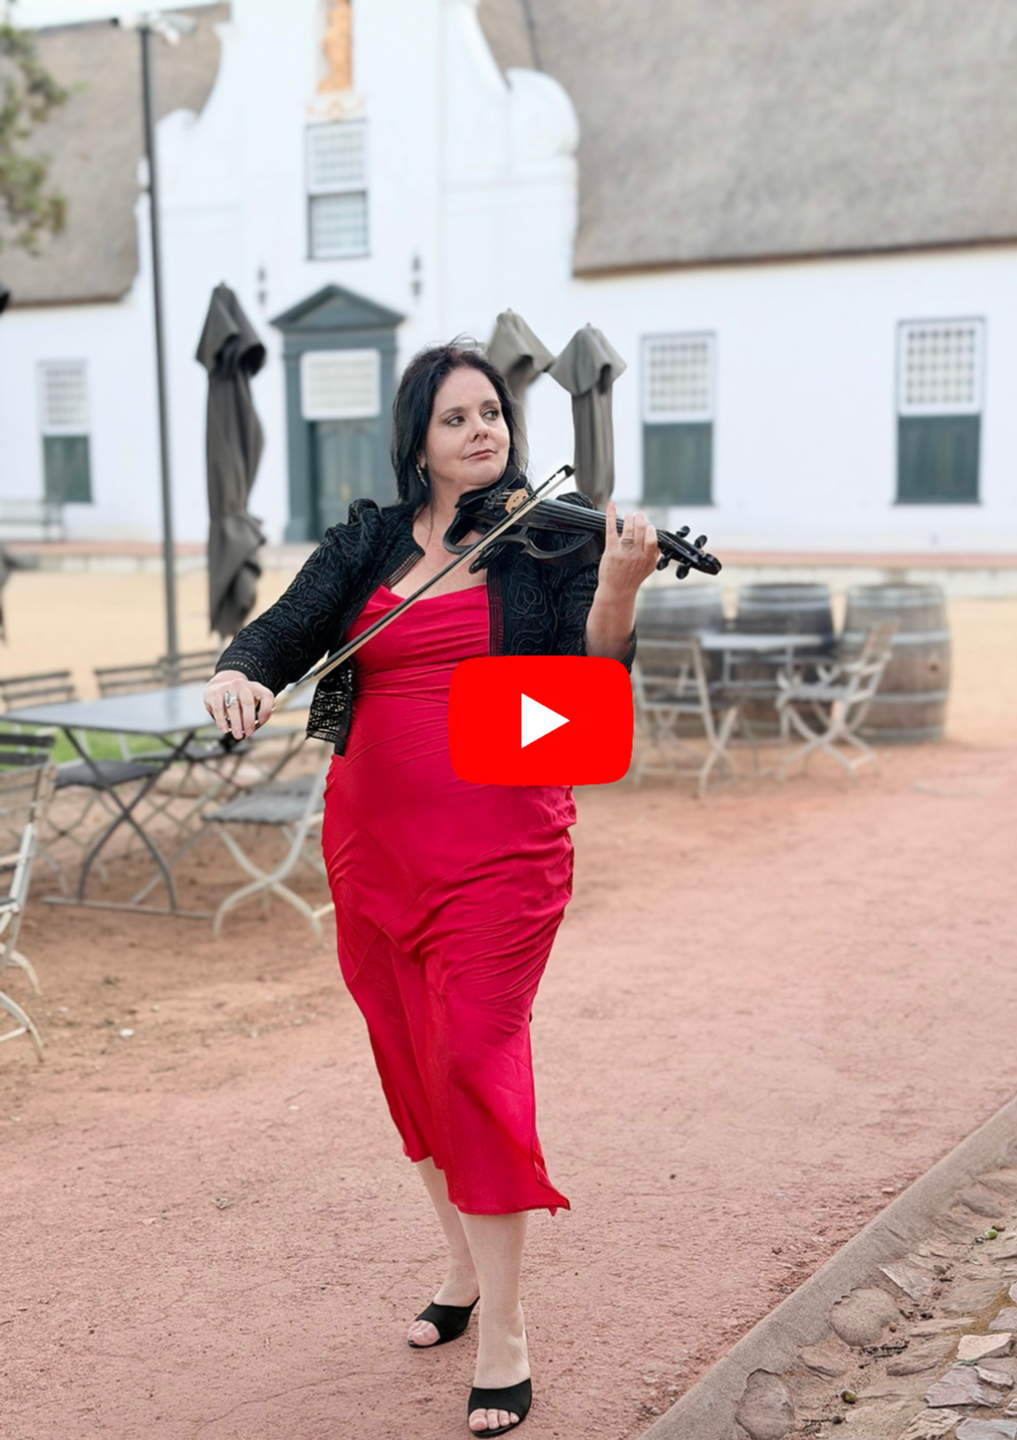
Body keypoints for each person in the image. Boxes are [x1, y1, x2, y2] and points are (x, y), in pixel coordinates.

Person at [203, 341, 658, 1435]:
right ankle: (460, 1272)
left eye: (493, 413)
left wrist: (619, 589)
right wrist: (242, 669)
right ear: (418, 439)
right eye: (457, 418)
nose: (483, 432)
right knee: (409, 1056)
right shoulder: (367, 538)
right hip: (370, 843)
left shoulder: (550, 539)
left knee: (474, 1057)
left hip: (501, 840)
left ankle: (504, 1331)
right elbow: (289, 626)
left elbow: (586, 694)